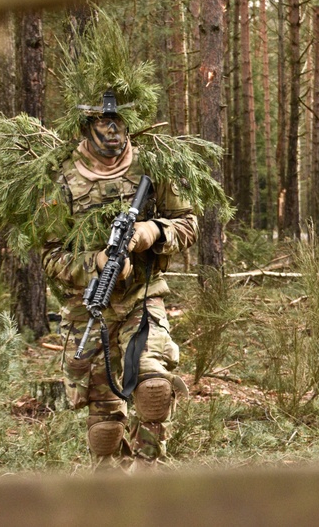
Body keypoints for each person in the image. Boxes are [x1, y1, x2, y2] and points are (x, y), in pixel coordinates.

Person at [42, 89, 196, 468]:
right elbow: (50, 254)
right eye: (102, 122)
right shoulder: (61, 179)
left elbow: (189, 223)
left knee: (154, 389)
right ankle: (109, 491)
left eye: (118, 122)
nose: (112, 131)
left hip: (142, 297)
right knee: (105, 428)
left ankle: (149, 471)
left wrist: (152, 232)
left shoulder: (152, 168)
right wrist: (94, 262)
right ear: (86, 125)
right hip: (88, 306)